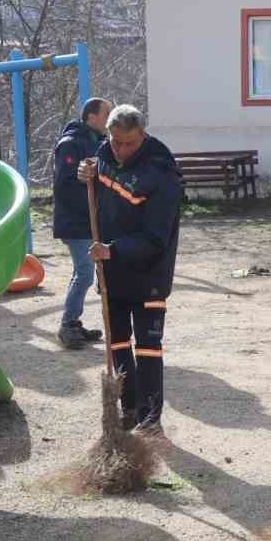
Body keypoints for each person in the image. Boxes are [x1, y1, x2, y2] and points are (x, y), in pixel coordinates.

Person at [75, 105, 182, 435]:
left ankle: (151, 419)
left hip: (149, 273)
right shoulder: (103, 153)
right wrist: (87, 176)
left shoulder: (161, 171)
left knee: (148, 347)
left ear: (143, 135)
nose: (121, 150)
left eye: (130, 143)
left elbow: (156, 238)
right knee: (117, 343)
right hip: (111, 274)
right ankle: (129, 409)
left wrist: (113, 249)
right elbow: (104, 200)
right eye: (116, 141)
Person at [51, 98, 113, 349]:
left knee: (87, 272)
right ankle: (68, 324)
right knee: (86, 272)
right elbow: (65, 187)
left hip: (91, 220)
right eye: (106, 114)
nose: (109, 119)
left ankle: (74, 323)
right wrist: (91, 209)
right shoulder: (70, 144)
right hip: (76, 222)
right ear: (91, 117)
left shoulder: (98, 143)